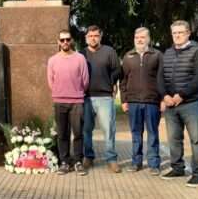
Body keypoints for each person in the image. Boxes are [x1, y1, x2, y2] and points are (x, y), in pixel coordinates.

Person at [160, 20, 198, 188]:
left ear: (188, 33)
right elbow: (160, 77)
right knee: (174, 139)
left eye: (181, 32)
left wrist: (181, 95)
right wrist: (164, 95)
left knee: (196, 139)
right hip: (171, 104)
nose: (177, 35)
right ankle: (178, 168)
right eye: (174, 33)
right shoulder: (167, 53)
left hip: (192, 103)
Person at [120, 27, 165, 176]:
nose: (140, 40)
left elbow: (162, 79)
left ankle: (154, 164)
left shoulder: (157, 55)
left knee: (153, 133)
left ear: (148, 39)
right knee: (136, 134)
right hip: (133, 102)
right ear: (134, 39)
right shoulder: (128, 56)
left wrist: (163, 99)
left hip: (152, 102)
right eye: (137, 37)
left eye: (143, 37)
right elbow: (123, 80)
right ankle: (136, 162)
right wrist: (124, 100)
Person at [47, 29, 89, 176]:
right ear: (58, 42)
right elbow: (51, 81)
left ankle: (78, 161)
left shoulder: (80, 58)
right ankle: (64, 162)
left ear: (71, 41)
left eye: (67, 39)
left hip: (77, 101)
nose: (65, 42)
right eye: (62, 40)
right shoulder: (52, 60)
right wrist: (59, 93)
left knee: (78, 133)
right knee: (62, 134)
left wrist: (76, 93)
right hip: (59, 101)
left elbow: (85, 80)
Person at [81, 25, 121, 173]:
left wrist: (110, 82)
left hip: (105, 97)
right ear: (86, 38)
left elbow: (117, 69)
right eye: (90, 36)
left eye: (96, 35)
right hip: (86, 97)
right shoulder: (81, 53)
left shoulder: (109, 52)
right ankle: (88, 157)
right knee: (86, 129)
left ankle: (111, 159)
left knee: (109, 129)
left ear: (100, 36)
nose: (93, 38)